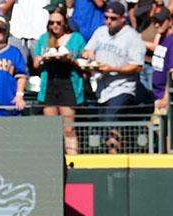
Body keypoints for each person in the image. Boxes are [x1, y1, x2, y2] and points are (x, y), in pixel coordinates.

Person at [82, 1, 146, 151]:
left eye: (113, 18)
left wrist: (113, 69)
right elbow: (86, 51)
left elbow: (137, 66)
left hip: (122, 88)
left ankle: (115, 156)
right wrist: (88, 54)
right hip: (103, 88)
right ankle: (114, 155)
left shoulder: (132, 37)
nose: (108, 21)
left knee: (111, 121)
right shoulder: (101, 31)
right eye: (106, 17)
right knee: (105, 125)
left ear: (123, 18)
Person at [33, 6, 86, 154]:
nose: (55, 26)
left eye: (58, 23)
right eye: (52, 23)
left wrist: (70, 59)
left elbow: (84, 64)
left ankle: (72, 161)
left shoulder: (76, 38)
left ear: (65, 23)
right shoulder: (44, 39)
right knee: (51, 130)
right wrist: (44, 58)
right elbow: (36, 64)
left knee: (68, 129)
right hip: (49, 85)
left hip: (68, 85)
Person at [149, 6, 173, 109]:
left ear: (170, 21)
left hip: (167, 97)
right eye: (155, 21)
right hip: (158, 94)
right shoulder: (162, 38)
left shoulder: (172, 41)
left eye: (160, 22)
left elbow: (172, 72)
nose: (157, 25)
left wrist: (166, 98)